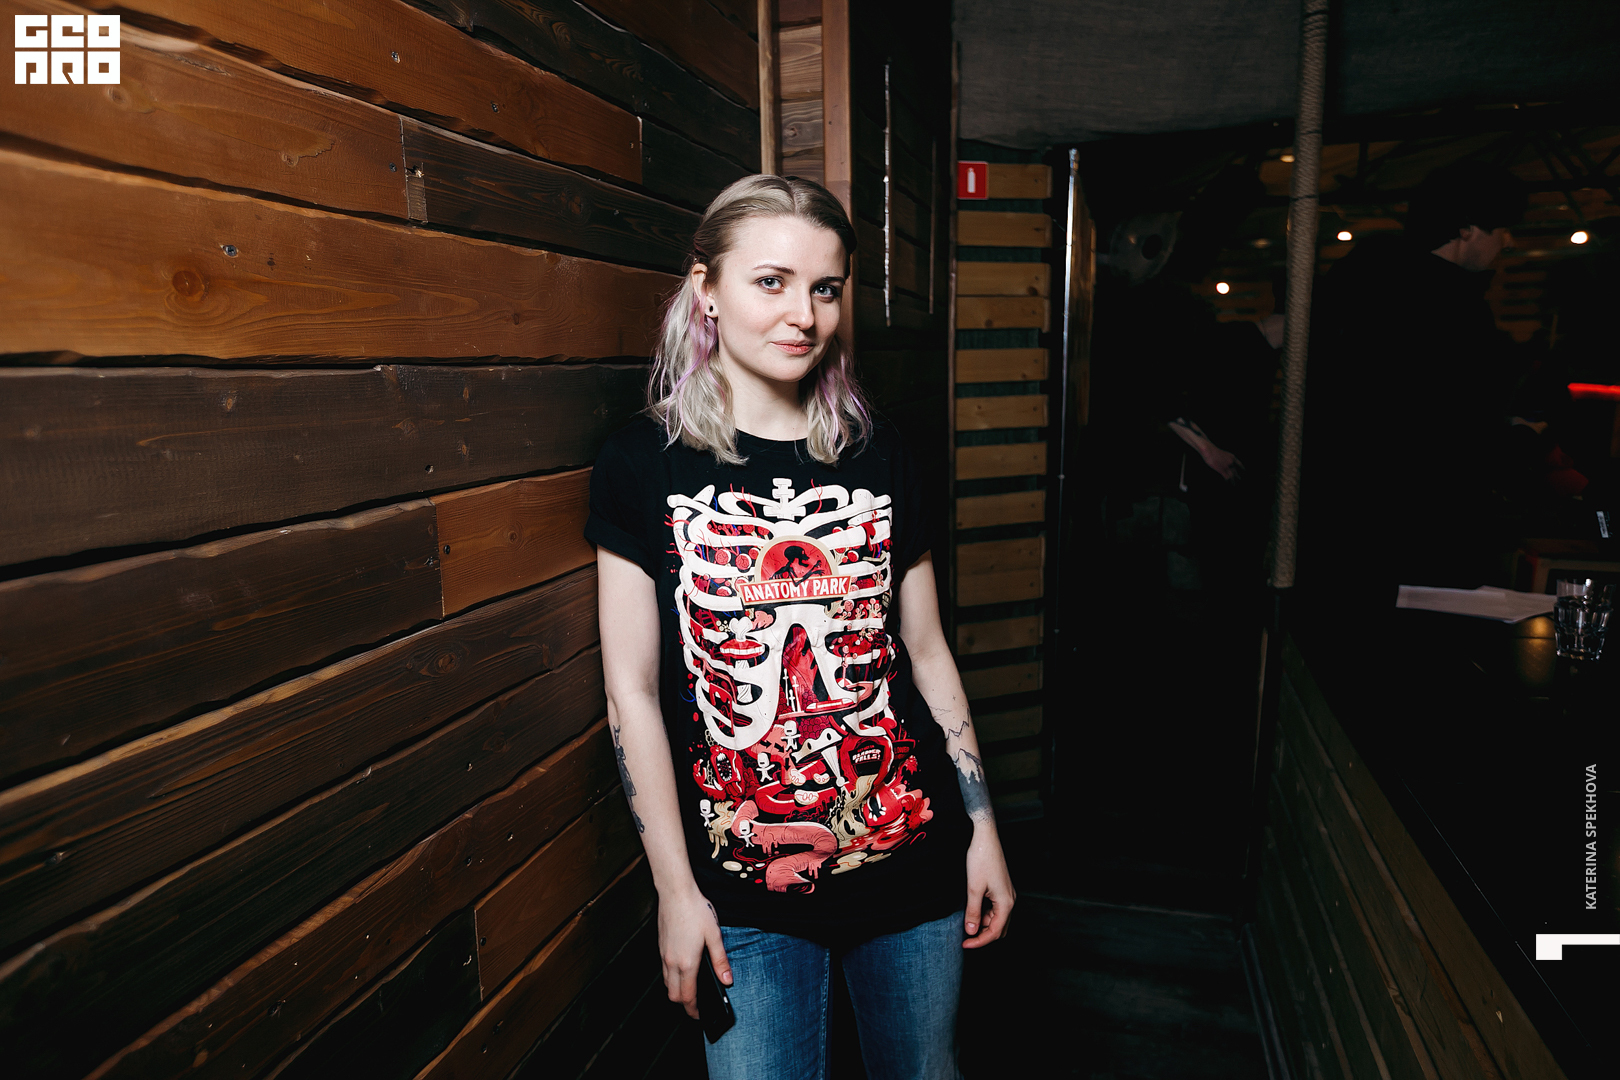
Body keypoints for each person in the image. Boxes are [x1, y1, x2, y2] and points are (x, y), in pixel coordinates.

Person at [584, 174, 1014, 1080]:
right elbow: (632, 692)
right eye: (770, 282)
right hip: (744, 897)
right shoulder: (641, 461)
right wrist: (674, 889)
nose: (803, 316)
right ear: (706, 288)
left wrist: (982, 830)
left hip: (912, 867)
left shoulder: (881, 452)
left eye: (825, 288)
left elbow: (925, 652)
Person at [1303, 163, 1527, 603]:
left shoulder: (1363, 281)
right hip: (1422, 519)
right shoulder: (1455, 307)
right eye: (1501, 229)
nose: (1508, 241)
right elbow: (1456, 421)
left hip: (1344, 514)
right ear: (1465, 229)